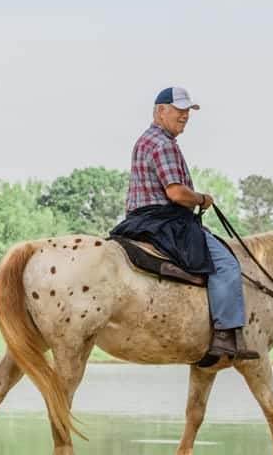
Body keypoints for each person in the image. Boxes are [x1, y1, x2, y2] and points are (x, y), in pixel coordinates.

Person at [110, 86, 259, 367]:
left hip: (140, 219)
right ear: (160, 110)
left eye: (187, 111)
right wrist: (202, 199)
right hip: (164, 220)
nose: (184, 116)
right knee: (227, 264)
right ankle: (226, 336)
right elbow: (176, 193)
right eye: (179, 110)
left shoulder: (146, 140)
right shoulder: (163, 143)